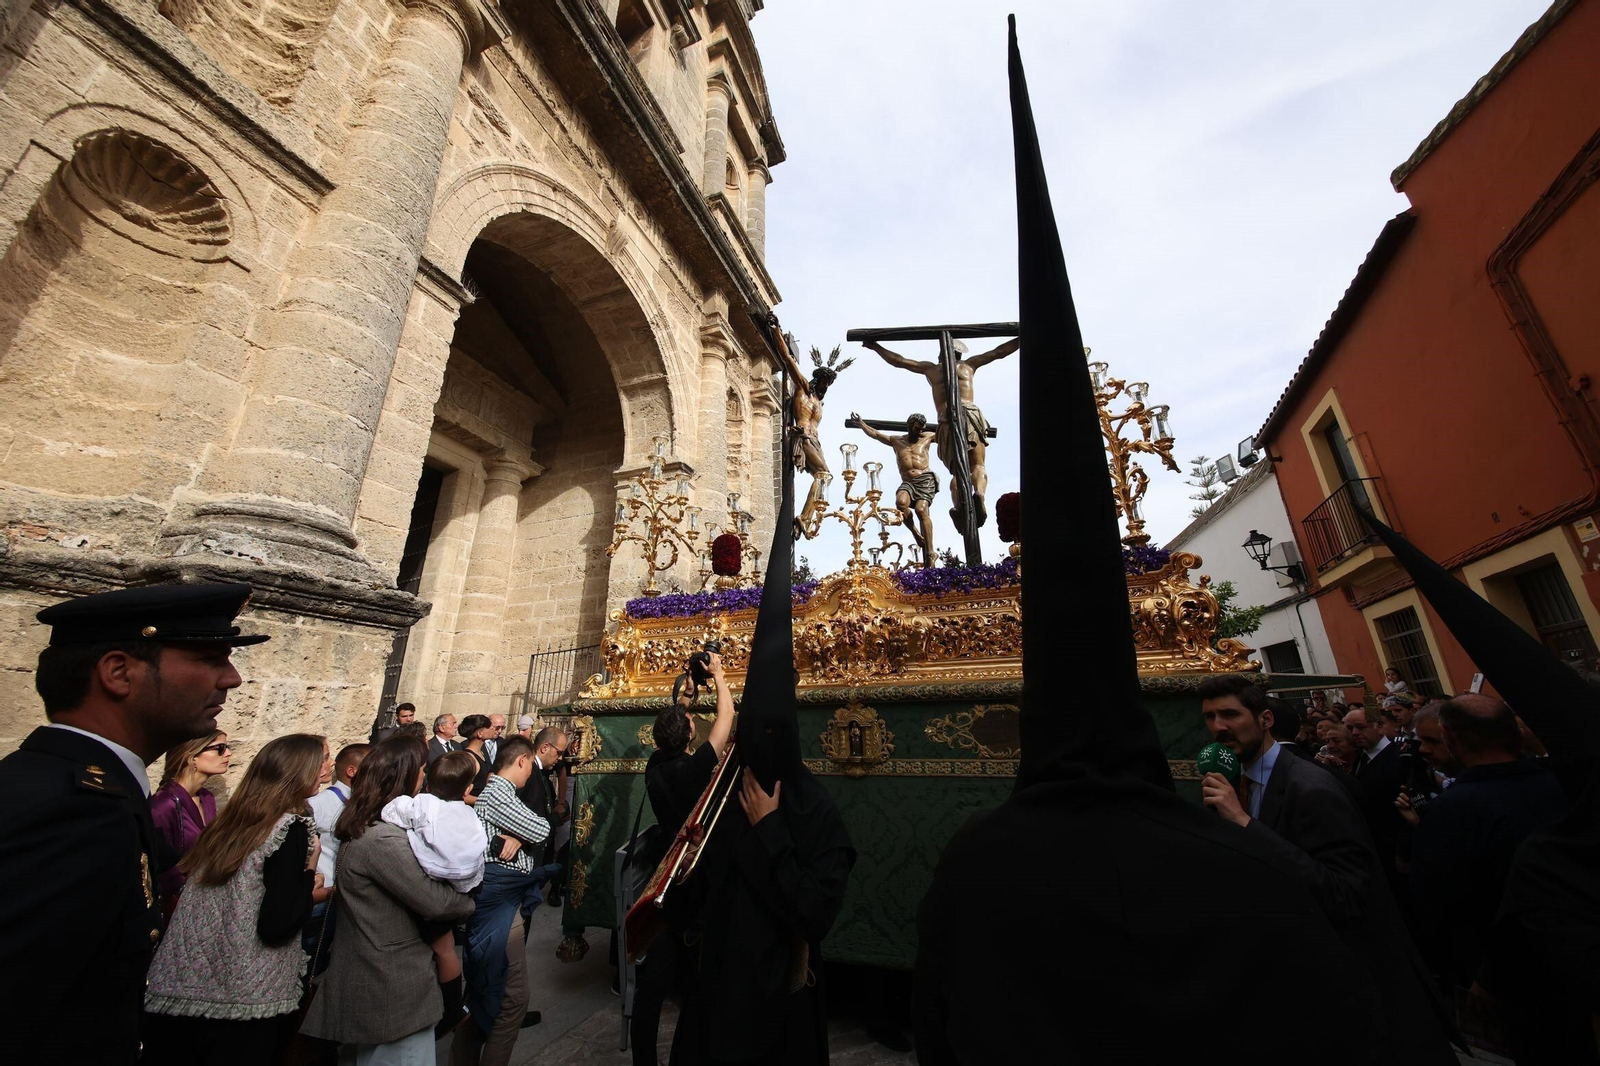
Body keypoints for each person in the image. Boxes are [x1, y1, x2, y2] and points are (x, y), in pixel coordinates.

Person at [0, 582, 268, 1064]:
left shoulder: (98, 793)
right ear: (119, 673)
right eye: (210, 658)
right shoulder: (69, 809)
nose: (232, 679)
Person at [1198, 675, 1459, 1064]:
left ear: (1265, 719)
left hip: (1357, 995)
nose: (1219, 727)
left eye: (1231, 715)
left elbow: (1346, 893)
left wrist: (1247, 826)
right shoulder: (1244, 782)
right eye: (1210, 717)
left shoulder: (1310, 787)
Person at [141, 734, 328, 1064]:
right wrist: (307, 877)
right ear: (299, 769)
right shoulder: (289, 827)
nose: (328, 766)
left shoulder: (230, 822)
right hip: (247, 999)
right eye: (323, 758)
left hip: (179, 993)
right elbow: (276, 924)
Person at [301, 736, 477, 1061]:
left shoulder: (372, 829)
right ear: (403, 776)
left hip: (381, 984)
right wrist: (470, 900)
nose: (425, 776)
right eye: (421, 769)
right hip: (389, 990)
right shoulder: (381, 838)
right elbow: (435, 902)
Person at [1408, 696, 1567, 996]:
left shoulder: (1449, 812)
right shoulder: (1563, 783)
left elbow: (1436, 903)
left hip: (1504, 975)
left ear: (1451, 739)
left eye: (1431, 740)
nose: (1425, 751)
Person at [630, 651, 735, 1065]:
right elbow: (726, 719)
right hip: (693, 878)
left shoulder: (656, 765)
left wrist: (688, 691)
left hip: (664, 876)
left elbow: (677, 727)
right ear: (689, 736)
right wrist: (720, 677)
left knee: (655, 979)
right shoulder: (689, 773)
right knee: (700, 969)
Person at [455, 735, 555, 1066]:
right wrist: (524, 832)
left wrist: (515, 835)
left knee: (486, 991)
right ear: (523, 761)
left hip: (503, 897)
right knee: (510, 999)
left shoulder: (499, 792)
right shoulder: (498, 792)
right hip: (498, 903)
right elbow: (542, 828)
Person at [384, 750, 488, 1037]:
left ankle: (450, 1009)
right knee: (445, 951)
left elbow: (391, 811)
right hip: (465, 883)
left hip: (433, 880)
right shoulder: (469, 813)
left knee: (440, 948)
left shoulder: (424, 804)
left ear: (428, 783)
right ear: (468, 790)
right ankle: (454, 1005)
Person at [150, 729, 232, 919]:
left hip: (204, 903)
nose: (228, 753)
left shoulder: (207, 798)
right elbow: (160, 869)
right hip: (176, 909)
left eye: (227, 747)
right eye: (220, 748)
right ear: (191, 757)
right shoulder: (164, 805)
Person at [851, 411, 939, 564]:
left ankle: (931, 552)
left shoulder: (928, 437)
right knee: (901, 503)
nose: (920, 432)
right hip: (908, 482)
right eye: (917, 428)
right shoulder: (897, 441)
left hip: (925, 479)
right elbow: (876, 434)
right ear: (910, 426)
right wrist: (861, 424)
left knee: (920, 510)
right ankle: (916, 534)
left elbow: (948, 434)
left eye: (922, 429)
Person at [456, 714, 495, 802]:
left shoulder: (483, 753)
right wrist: (485, 802)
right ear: (480, 733)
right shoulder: (470, 758)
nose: (493, 729)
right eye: (488, 727)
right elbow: (461, 794)